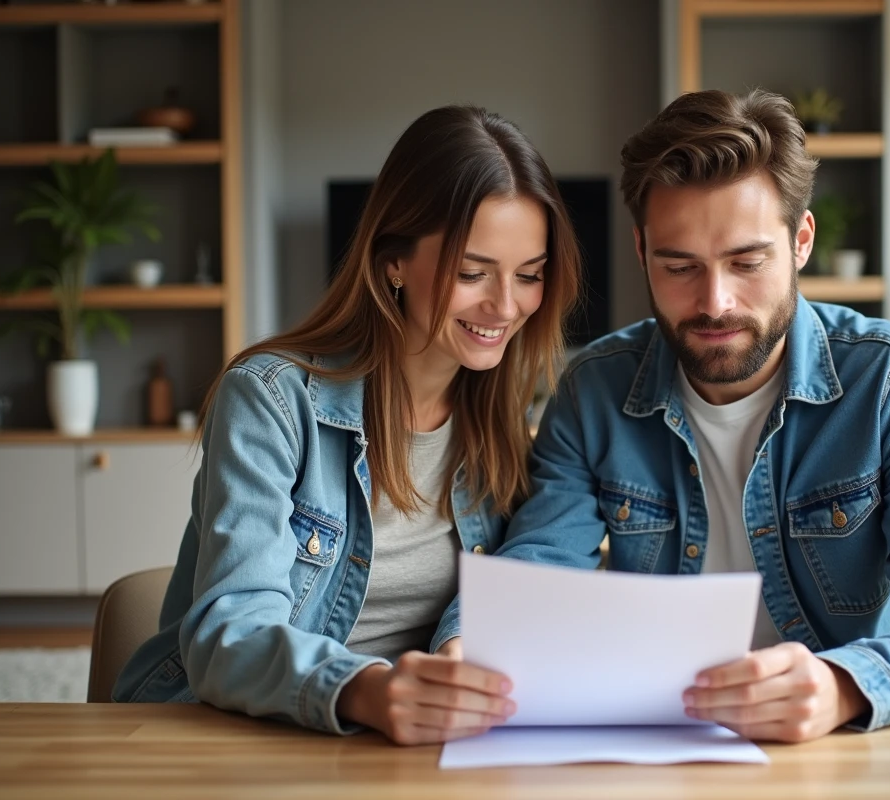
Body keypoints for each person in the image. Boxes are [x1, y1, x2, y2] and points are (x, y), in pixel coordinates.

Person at [477, 89, 890, 743]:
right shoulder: (592, 391)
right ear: (641, 249)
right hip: (652, 742)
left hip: (835, 749)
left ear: (801, 241)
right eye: (679, 266)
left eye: (747, 262)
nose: (715, 302)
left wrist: (845, 685)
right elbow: (540, 573)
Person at [114, 105, 581, 745]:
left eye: (528, 275)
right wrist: (367, 690)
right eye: (472, 273)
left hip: (403, 750)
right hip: (238, 733)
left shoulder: (499, 415)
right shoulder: (272, 400)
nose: (506, 306)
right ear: (394, 262)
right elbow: (229, 635)